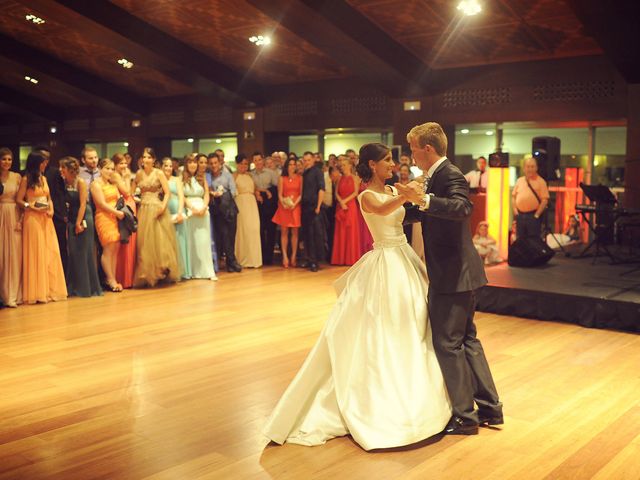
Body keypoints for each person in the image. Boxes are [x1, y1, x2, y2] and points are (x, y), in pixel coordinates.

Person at [263, 143, 451, 451]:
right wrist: (407, 193)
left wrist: (417, 198)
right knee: (381, 325)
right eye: (388, 160)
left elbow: (406, 212)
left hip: (404, 257)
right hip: (385, 260)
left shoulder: (393, 188)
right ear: (372, 165)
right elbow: (382, 210)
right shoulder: (367, 195)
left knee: (414, 319)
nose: (393, 164)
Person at [397, 122, 502, 434]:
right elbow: (426, 212)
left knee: (448, 344)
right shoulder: (434, 177)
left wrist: (423, 200)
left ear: (427, 149)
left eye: (413, 148)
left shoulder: (450, 174)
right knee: (468, 340)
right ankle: (490, 409)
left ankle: (465, 417)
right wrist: (399, 204)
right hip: (461, 273)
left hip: (453, 274)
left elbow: (460, 207)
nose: (411, 155)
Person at [17, 152, 68, 304]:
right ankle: (37, 291)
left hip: (46, 218)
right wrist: (30, 206)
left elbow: (49, 198)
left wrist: (51, 209)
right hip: (32, 218)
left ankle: (50, 289)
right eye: (43, 163)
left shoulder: (44, 178)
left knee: (49, 251)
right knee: (36, 252)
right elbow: (19, 200)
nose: (45, 165)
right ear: (35, 163)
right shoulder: (26, 179)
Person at [132, 147, 181, 287]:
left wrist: (163, 207)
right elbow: (132, 192)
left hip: (156, 208)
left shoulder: (158, 173)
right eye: (144, 157)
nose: (146, 159)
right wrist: (136, 199)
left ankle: (160, 272)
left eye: (149, 157)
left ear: (153, 160)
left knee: (159, 242)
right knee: (145, 244)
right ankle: (147, 274)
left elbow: (167, 193)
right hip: (143, 209)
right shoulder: (139, 174)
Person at [60, 157, 102, 297]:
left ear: (70, 169)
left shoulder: (81, 182)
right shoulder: (65, 182)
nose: (61, 170)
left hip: (83, 217)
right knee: (73, 252)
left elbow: (83, 204)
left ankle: (87, 288)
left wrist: (78, 223)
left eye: (63, 168)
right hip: (72, 217)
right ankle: (74, 286)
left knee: (84, 252)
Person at [91, 158, 125, 292]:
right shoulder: (96, 184)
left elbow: (119, 198)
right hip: (104, 217)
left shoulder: (112, 183)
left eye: (112, 169)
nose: (110, 171)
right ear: (100, 169)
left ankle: (112, 278)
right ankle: (110, 279)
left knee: (116, 248)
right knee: (108, 248)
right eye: (107, 168)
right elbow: (101, 204)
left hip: (116, 216)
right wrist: (116, 212)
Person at [183, 154, 217, 280]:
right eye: (190, 162)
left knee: (203, 242)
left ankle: (207, 271)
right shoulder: (182, 178)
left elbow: (207, 194)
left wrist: (203, 207)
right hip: (190, 212)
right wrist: (191, 208)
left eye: (194, 162)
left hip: (202, 211)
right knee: (191, 242)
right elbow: (183, 196)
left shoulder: (202, 177)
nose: (192, 165)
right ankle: (191, 271)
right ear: (186, 164)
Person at [207, 153, 241, 273]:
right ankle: (233, 262)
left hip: (230, 208)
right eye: (211, 163)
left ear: (219, 163)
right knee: (225, 235)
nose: (213, 165)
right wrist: (214, 194)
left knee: (232, 236)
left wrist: (225, 194)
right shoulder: (208, 177)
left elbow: (234, 191)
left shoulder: (227, 175)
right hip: (218, 210)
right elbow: (208, 191)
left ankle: (230, 263)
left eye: (215, 163)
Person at [0, 147, 22, 307]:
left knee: (14, 255)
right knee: (2, 255)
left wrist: (21, 218)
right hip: (0, 214)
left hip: (14, 214)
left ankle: (13, 295)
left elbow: (22, 200)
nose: (7, 162)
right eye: (3, 159)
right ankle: (3, 294)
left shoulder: (17, 177)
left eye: (9, 159)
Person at [272, 157, 302, 268]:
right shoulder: (282, 178)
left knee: (295, 233)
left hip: (295, 206)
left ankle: (293, 256)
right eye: (290, 164)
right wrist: (284, 202)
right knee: (284, 232)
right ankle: (284, 256)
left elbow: (301, 194)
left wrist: (294, 204)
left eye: (294, 164)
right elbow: (279, 194)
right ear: (287, 166)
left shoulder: (300, 178)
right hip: (284, 206)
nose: (292, 166)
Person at [331, 156, 361, 266]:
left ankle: (350, 259)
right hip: (341, 206)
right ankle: (340, 258)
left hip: (350, 206)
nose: (342, 167)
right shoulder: (339, 178)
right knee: (341, 231)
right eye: (341, 165)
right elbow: (336, 193)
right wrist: (341, 202)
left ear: (350, 166)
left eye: (344, 165)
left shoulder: (354, 178)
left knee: (350, 231)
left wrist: (345, 202)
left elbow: (355, 193)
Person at [233, 153, 262, 268]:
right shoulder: (234, 176)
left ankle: (254, 259)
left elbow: (255, 189)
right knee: (243, 230)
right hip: (241, 202)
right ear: (237, 164)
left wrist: (259, 194)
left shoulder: (250, 175)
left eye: (246, 164)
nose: (244, 166)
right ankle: (242, 258)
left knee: (254, 229)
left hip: (252, 203)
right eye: (241, 164)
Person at [113, 153, 137, 289]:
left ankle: (129, 276)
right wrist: (127, 178)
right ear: (115, 164)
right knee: (125, 242)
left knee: (131, 242)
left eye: (125, 163)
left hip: (129, 206)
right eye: (121, 163)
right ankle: (124, 277)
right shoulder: (116, 175)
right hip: (124, 207)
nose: (124, 166)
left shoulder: (120, 174)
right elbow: (127, 192)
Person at [512, 155, 549, 240]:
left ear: (536, 168)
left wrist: (537, 215)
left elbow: (544, 200)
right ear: (524, 168)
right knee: (520, 240)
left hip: (533, 216)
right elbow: (513, 196)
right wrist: (515, 211)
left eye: (532, 166)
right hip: (520, 216)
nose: (530, 169)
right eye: (528, 167)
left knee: (533, 241)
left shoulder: (541, 182)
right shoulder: (519, 180)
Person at [251, 152, 279, 265]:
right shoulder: (250, 174)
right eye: (255, 160)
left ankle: (270, 257)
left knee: (271, 230)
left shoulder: (271, 173)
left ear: (263, 160)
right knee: (260, 230)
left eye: (259, 160)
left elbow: (276, 187)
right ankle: (261, 255)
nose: (258, 162)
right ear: (253, 162)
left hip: (270, 201)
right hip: (257, 202)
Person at [163, 157, 189, 279]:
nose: (168, 168)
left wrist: (179, 212)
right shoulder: (159, 180)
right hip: (165, 212)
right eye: (165, 166)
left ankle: (181, 271)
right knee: (167, 241)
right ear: (161, 167)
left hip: (177, 210)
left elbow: (181, 196)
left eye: (170, 166)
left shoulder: (176, 179)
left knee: (180, 240)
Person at [300, 151, 325, 272]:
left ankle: (314, 261)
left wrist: (318, 207)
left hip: (314, 207)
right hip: (304, 208)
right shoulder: (304, 173)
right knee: (306, 235)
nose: (306, 162)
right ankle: (309, 259)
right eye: (304, 160)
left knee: (315, 235)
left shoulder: (317, 172)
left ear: (313, 160)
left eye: (308, 160)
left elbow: (321, 189)